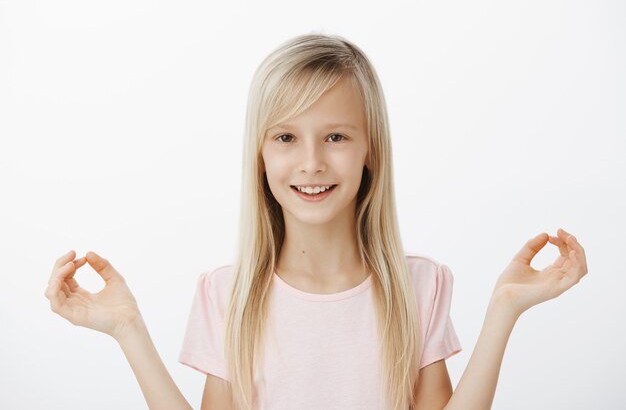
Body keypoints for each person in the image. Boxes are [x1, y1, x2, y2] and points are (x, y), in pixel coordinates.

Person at [44, 33, 588, 410]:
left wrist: (503, 312)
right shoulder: (227, 294)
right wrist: (128, 331)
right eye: (286, 137)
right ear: (259, 155)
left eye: (335, 136)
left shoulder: (421, 287)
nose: (311, 162)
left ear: (370, 149)